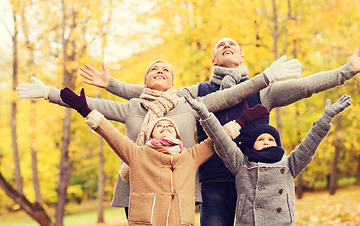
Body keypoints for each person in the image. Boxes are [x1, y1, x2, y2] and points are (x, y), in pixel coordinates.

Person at [82, 39, 360, 225]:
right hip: (214, 182)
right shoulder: (196, 93)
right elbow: (156, 92)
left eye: (233, 45)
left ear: (242, 57)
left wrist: (346, 71)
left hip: (256, 181)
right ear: (213, 59)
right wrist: (112, 85)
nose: (226, 45)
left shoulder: (265, 89)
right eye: (220, 45)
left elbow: (307, 86)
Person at [16, 58, 300, 218]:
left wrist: (266, 77)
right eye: (154, 69)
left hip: (182, 189)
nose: (160, 70)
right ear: (145, 81)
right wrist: (48, 93)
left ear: (174, 82)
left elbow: (231, 95)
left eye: (166, 68)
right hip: (139, 188)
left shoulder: (189, 104)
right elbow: (88, 108)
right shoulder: (131, 107)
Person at [58, 86, 268, 225]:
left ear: (177, 134)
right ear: (151, 133)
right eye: (160, 126)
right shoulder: (137, 154)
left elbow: (217, 140)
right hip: (146, 220)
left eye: (169, 125)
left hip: (181, 220)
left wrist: (242, 121)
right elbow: (110, 132)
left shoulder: (189, 155)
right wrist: (85, 109)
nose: (166, 127)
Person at [184, 93, 352, 225]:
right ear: (252, 145)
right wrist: (205, 113)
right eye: (261, 139)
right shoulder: (242, 163)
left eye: (271, 139)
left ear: (277, 144)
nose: (266, 142)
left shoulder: (289, 164)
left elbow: (309, 144)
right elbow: (221, 140)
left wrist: (326, 117)